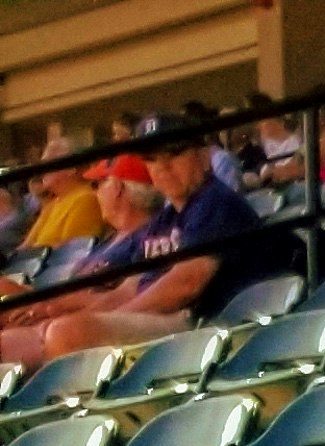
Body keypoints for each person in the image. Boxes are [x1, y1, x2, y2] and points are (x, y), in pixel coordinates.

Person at [0, 142, 298, 366]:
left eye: (174, 155)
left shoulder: (214, 202)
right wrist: (93, 315)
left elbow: (185, 286)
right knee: (8, 344)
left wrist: (110, 318)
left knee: (67, 333)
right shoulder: (165, 220)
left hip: (194, 320)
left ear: (203, 157)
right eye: (153, 160)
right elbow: (128, 288)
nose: (163, 167)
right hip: (153, 314)